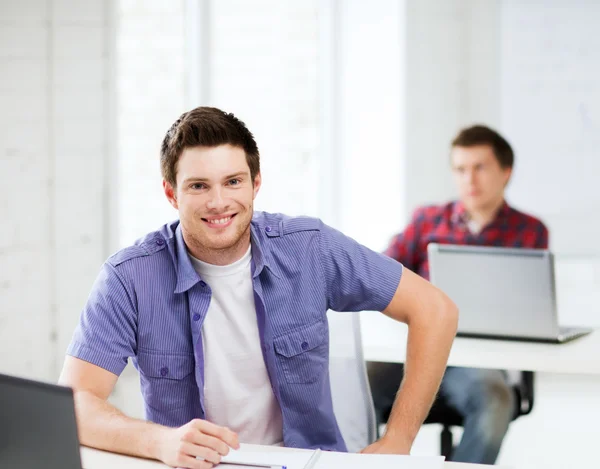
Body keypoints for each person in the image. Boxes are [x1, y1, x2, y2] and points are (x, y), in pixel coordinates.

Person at [58, 106, 458, 469]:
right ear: (170, 192)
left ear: (256, 183)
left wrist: (399, 439)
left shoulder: (309, 247)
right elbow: (76, 403)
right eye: (199, 186)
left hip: (305, 463)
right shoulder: (129, 277)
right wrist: (160, 441)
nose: (219, 202)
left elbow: (435, 310)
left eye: (232, 181)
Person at [368, 124, 549, 464]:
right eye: (461, 169)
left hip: (477, 361)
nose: (470, 179)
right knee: (353, 386)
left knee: (495, 401)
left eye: (480, 167)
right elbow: (379, 273)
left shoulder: (530, 231)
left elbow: (530, 307)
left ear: (505, 172)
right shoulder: (427, 219)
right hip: (413, 348)